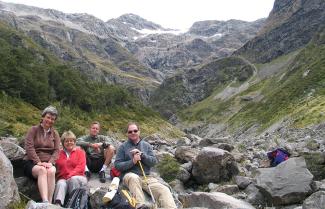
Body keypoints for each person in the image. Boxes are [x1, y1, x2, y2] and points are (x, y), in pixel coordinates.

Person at [115, 122, 177, 209]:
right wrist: (133, 161)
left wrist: (143, 156)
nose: (133, 133)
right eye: (130, 132)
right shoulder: (123, 147)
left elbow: (153, 162)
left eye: (135, 130)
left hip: (146, 177)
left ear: (139, 132)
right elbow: (117, 165)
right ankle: (140, 206)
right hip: (129, 175)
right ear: (127, 134)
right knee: (134, 178)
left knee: (164, 190)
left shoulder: (147, 145)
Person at [23, 105, 60, 203]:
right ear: (43, 117)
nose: (50, 120)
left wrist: (51, 162)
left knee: (52, 171)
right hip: (32, 162)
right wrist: (38, 162)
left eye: (53, 119)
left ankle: (50, 202)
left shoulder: (55, 133)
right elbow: (29, 147)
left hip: (48, 162)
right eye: (48, 117)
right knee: (42, 170)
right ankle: (45, 201)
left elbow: (57, 150)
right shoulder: (33, 130)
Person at [53, 130, 87, 206]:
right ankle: (57, 205)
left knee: (73, 179)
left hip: (78, 177)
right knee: (61, 183)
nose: (69, 143)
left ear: (74, 142)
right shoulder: (59, 153)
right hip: (63, 178)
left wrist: (70, 175)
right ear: (63, 143)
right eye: (66, 141)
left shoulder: (80, 152)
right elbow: (56, 167)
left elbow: (81, 167)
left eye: (71, 141)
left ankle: (74, 204)